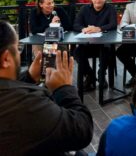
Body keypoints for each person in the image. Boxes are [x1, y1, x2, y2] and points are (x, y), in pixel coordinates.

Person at [0, 20, 93, 155]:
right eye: (18, 48)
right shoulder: (28, 106)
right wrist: (64, 88)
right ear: (6, 59)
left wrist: (29, 78)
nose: (19, 54)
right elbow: (82, 130)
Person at [73, 0, 117, 91]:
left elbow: (113, 24)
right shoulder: (84, 9)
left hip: (104, 43)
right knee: (77, 52)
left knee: (107, 51)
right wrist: (84, 29)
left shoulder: (110, 8)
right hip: (88, 44)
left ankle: (101, 75)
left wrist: (99, 29)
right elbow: (75, 24)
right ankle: (90, 75)